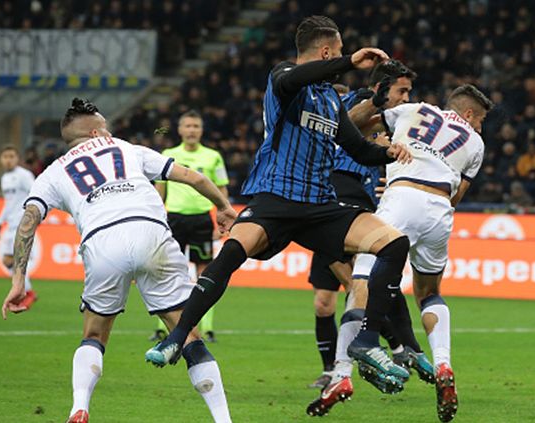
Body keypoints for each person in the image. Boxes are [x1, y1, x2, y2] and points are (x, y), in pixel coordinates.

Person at [145, 16, 414, 397]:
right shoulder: (284, 78)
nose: (338, 59)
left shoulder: (330, 101)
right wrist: (349, 61)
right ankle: (175, 337)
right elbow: (293, 79)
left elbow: (357, 149)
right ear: (325, 52)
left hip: (320, 205)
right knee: (231, 253)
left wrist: (390, 152)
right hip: (276, 199)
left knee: (394, 243)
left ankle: (367, 341)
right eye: (335, 53)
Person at [1, 98, 237, 423]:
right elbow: (193, 178)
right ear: (97, 132)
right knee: (188, 336)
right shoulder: (127, 149)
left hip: (101, 242)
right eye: (107, 128)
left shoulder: (53, 172)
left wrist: (18, 279)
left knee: (94, 336)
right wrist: (224, 207)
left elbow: (28, 220)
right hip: (151, 232)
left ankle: (79, 407)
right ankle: (223, 419)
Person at [310, 85, 492, 421]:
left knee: (360, 282)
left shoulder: (414, 110)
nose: (480, 128)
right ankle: (443, 365)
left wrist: (379, 148)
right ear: (468, 114)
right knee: (429, 292)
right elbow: (457, 196)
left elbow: (354, 125)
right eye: (480, 120)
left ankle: (341, 375)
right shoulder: (476, 144)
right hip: (439, 210)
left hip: (401, 197)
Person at [306, 59, 418, 390]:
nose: (407, 98)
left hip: (356, 200)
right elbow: (350, 132)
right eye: (403, 91)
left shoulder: (396, 120)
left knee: (360, 287)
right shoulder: (354, 105)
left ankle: (354, 367)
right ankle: (392, 350)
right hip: (333, 200)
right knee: (340, 295)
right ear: (381, 88)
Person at [150, 109, 230, 344]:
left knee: (205, 274)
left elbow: (222, 189)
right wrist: (157, 221)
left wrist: (220, 220)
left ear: (201, 130)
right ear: (180, 129)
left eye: (196, 126)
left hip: (202, 220)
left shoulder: (213, 156)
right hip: (173, 219)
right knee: (166, 271)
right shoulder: (168, 154)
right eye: (188, 126)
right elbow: (159, 193)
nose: (192, 130)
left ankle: (207, 327)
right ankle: (162, 327)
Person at [0, 145, 38, 309]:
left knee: (14, 259)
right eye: (5, 156)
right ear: (1, 159)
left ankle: (28, 292)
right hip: (11, 224)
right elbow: (8, 203)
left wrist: (33, 218)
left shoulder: (24, 175)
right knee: (8, 261)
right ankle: (26, 291)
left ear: (17, 159)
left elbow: (36, 193)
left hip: (22, 223)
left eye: (11, 156)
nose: (8, 160)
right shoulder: (5, 178)